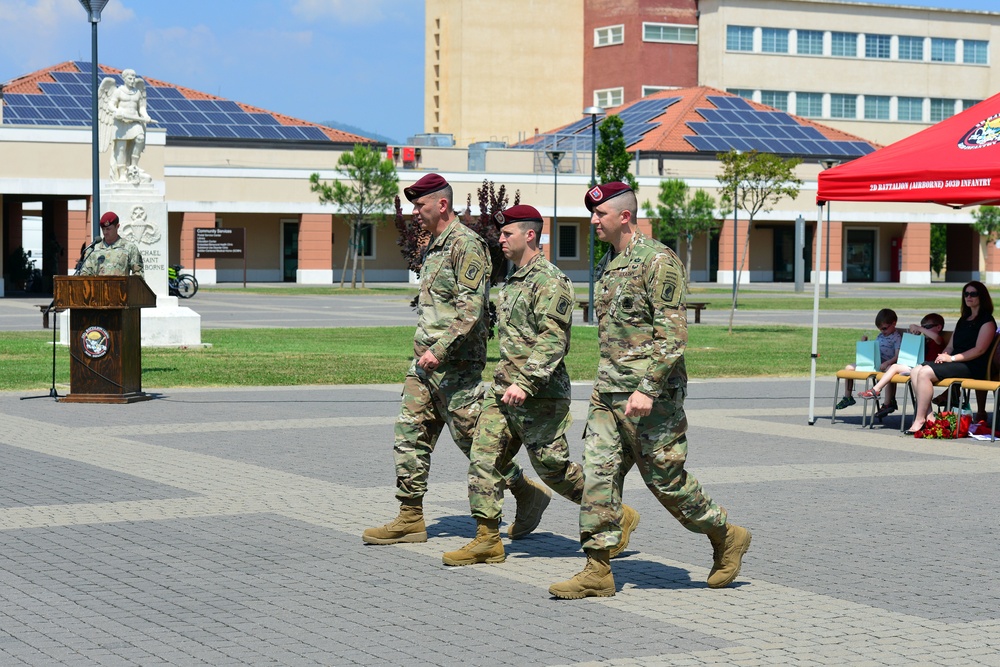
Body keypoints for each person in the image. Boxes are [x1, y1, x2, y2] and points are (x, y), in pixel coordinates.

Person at [549, 182, 750, 600]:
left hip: (649, 400)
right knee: (598, 479)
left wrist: (648, 387)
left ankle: (725, 534)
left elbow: (672, 336)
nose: (593, 221)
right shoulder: (609, 262)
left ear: (624, 216)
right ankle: (598, 568)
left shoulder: (658, 261)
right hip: (608, 394)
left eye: (599, 214)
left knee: (666, 482)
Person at [442, 205, 639, 566]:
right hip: (503, 392)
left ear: (529, 235)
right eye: (500, 234)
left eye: (507, 234)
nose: (500, 239)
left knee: (555, 470)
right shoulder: (513, 280)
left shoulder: (552, 281)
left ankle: (615, 513)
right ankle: (487, 537)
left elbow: (553, 341)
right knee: (483, 457)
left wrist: (527, 383)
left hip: (539, 395)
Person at [363, 174, 550, 546]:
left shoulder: (467, 244)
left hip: (456, 367)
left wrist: (440, 350)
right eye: (414, 207)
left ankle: (525, 492)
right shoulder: (434, 245)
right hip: (424, 366)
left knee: (473, 445)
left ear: (442, 205)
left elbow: (471, 309)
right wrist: (425, 352)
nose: (415, 212)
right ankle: (410, 516)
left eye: (420, 205)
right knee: (409, 436)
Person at [906, 281, 997, 435]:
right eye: (966, 294)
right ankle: (929, 417)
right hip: (956, 361)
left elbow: (979, 350)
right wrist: (945, 355)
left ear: (982, 297)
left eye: (973, 294)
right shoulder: (963, 320)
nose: (969, 297)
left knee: (925, 373)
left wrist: (952, 359)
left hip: (972, 365)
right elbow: (951, 344)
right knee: (916, 370)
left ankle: (920, 418)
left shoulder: (987, 322)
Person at [857, 313, 945, 404]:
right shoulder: (924, 340)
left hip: (929, 370)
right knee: (893, 367)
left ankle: (876, 390)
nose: (924, 329)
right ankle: (881, 396)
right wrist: (916, 335)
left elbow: (937, 338)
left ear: (938, 327)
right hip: (918, 367)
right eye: (923, 327)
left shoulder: (938, 340)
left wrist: (919, 328)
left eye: (927, 327)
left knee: (895, 367)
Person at [835, 309, 901, 415]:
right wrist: (865, 344)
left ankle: (888, 403)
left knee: (890, 371)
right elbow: (873, 350)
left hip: (887, 364)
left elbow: (897, 356)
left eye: (884, 328)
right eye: (880, 329)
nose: (882, 331)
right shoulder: (880, 336)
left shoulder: (896, 337)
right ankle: (848, 397)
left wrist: (888, 362)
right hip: (875, 363)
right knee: (849, 368)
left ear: (894, 323)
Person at [98, 69, 154, 183]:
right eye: (130, 78)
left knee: (140, 138)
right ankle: (122, 174)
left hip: (134, 121)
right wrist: (117, 111)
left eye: (134, 78)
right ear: (124, 79)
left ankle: (133, 167)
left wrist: (146, 116)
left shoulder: (137, 92)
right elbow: (110, 104)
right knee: (121, 148)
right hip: (121, 123)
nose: (132, 81)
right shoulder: (118, 91)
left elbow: (141, 107)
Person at [77, 211, 144, 278]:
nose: (105, 232)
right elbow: (85, 275)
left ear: (117, 226)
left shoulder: (129, 248)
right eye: (103, 229)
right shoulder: (93, 250)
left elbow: (138, 276)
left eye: (108, 229)